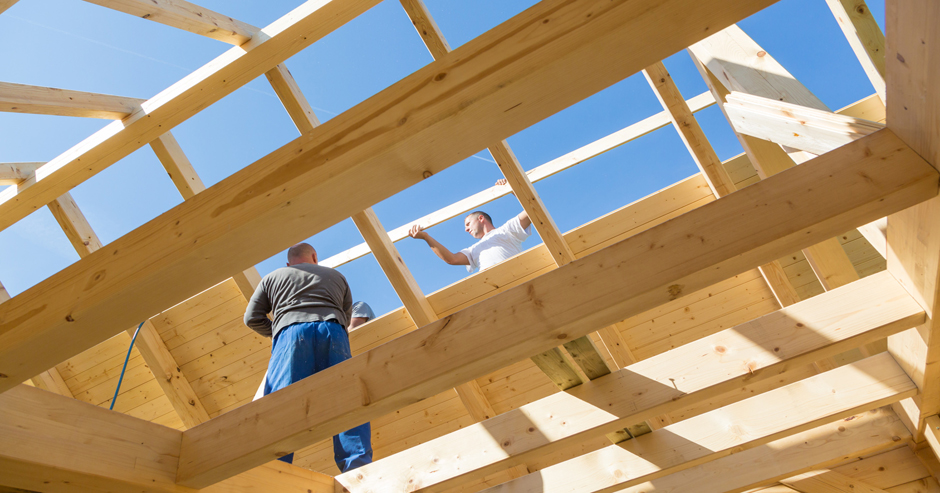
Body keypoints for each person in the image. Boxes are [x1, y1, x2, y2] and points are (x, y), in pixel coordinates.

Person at [244, 242, 372, 472]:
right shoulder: (337, 276)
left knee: (281, 404)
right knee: (346, 398)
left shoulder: (272, 277)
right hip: (332, 332)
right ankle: (358, 468)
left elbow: (251, 317)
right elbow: (346, 315)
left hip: (290, 336)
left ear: (288, 262)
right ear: (314, 256)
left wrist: (279, 330)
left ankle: (273, 470)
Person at [409, 179, 532, 273]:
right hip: (493, 290)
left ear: (481, 218)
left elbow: (531, 210)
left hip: (518, 279)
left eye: (468, 224)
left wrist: (512, 189)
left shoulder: (506, 230)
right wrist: (426, 237)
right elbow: (451, 259)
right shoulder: (473, 250)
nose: (466, 229)